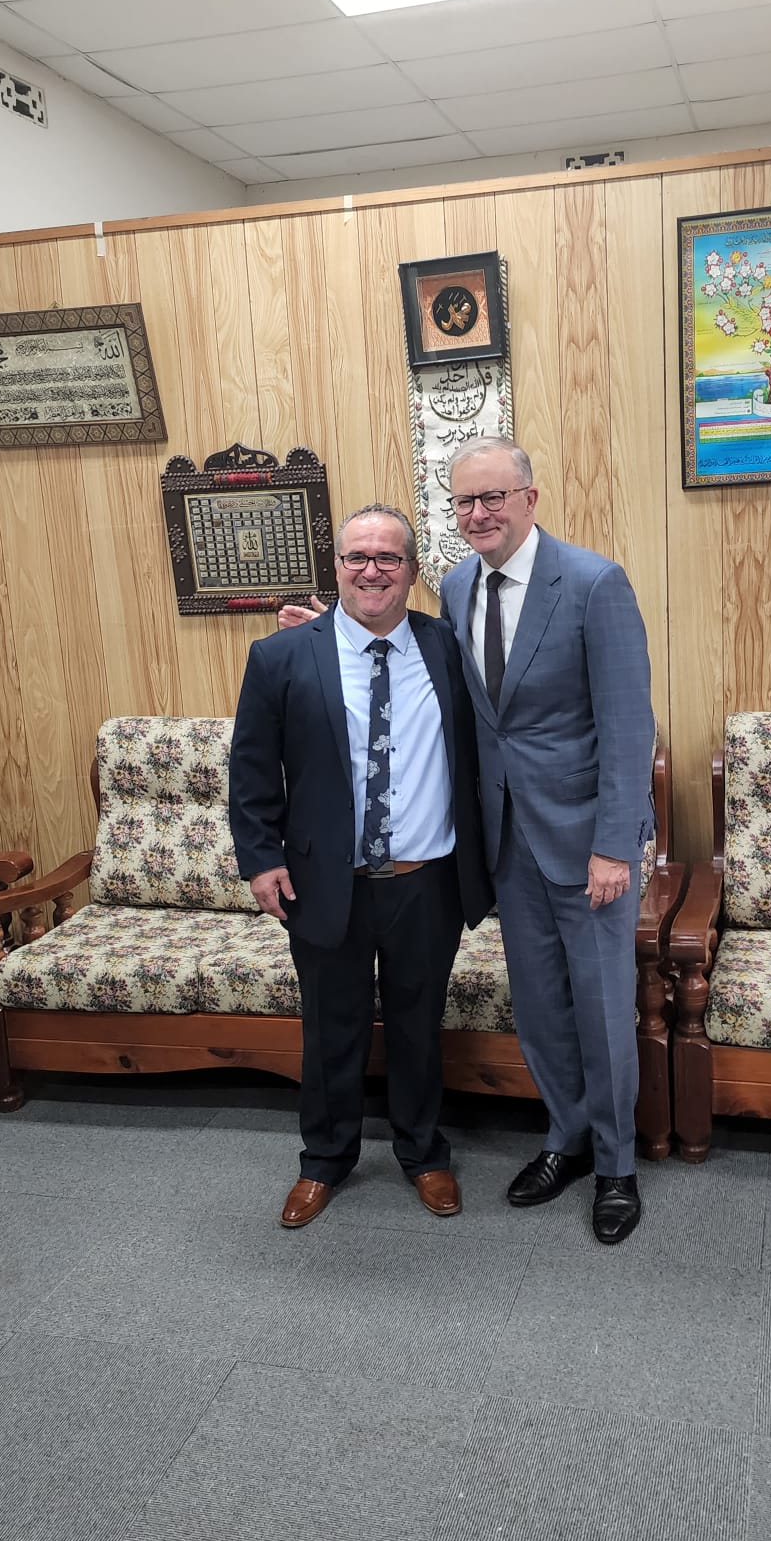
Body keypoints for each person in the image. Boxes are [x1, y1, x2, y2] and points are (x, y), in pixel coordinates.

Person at [283, 440, 656, 1244]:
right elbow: (404, 662)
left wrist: (616, 846)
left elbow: (629, 727)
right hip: (502, 845)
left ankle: (618, 1163)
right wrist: (327, 635)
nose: (479, 514)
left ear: (530, 497)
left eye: (494, 498)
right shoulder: (454, 586)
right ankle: (567, 1139)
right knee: (541, 1010)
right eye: (463, 503)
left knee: (599, 1007)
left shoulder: (594, 583)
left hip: (588, 845)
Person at [230, 503, 491, 1229]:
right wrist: (259, 861)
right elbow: (251, 772)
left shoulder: (450, 648)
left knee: (417, 1025)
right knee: (330, 1028)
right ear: (337, 566)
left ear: (412, 571)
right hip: (324, 884)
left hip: (427, 881)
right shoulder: (281, 656)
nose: (371, 570)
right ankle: (323, 1161)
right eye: (357, 557)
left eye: (388, 558)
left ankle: (424, 1154)